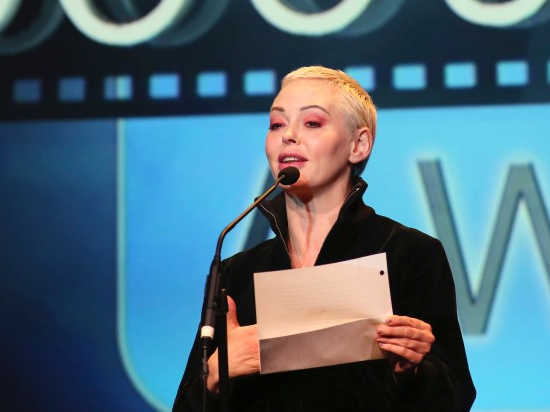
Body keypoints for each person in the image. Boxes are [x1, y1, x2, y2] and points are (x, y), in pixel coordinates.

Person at [173, 66, 476, 411]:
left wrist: (414, 369)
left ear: (358, 145)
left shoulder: (408, 254)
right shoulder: (237, 273)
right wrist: (214, 375)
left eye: (312, 123)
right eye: (276, 124)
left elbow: (455, 399)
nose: (288, 136)